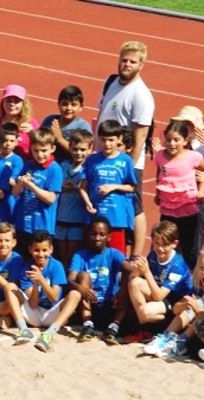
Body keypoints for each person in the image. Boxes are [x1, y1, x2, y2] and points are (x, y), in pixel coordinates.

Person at [33, 217, 133, 352]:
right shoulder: (80, 256)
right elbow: (70, 279)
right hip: (89, 306)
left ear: (108, 237)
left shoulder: (114, 254)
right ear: (87, 235)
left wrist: (121, 291)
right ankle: (88, 325)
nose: (97, 238)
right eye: (93, 234)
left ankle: (114, 327)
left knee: (131, 282)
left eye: (102, 234)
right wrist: (82, 289)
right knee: (84, 275)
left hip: (111, 305)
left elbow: (132, 271)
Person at [96, 41, 155, 258]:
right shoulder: (111, 82)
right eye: (124, 60)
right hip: (104, 156)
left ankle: (136, 255)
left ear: (141, 65)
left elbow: (141, 136)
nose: (127, 64)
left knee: (135, 206)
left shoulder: (141, 95)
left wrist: (126, 165)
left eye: (132, 61)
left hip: (126, 162)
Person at [79, 120, 136, 254]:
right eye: (103, 140)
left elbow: (132, 187)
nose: (107, 144)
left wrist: (113, 187)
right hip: (96, 218)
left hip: (116, 218)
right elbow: (82, 187)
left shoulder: (125, 161)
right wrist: (88, 203)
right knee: (93, 255)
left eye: (111, 140)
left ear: (119, 139)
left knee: (117, 256)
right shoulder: (92, 160)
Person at [3, 230, 67, 344]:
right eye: (37, 250)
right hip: (34, 314)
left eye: (44, 250)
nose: (41, 254)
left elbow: (54, 298)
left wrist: (41, 279)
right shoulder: (26, 269)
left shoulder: (57, 266)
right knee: (10, 286)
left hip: (52, 313)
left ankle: (49, 334)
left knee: (75, 295)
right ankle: (24, 330)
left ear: (51, 249)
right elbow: (32, 305)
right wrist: (36, 284)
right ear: (30, 250)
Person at [154, 121, 204, 267]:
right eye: (168, 140)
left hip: (188, 211)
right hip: (168, 210)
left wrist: (201, 190)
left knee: (189, 249)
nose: (172, 144)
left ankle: (191, 284)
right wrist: (158, 193)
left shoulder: (193, 157)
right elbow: (160, 173)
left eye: (176, 140)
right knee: (165, 243)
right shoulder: (160, 156)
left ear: (185, 140)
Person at [128, 221, 193, 327]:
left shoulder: (177, 265)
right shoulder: (153, 254)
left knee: (144, 312)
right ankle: (144, 322)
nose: (160, 248)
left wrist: (146, 271)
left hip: (175, 301)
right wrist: (137, 268)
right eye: (157, 243)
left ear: (174, 244)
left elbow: (158, 297)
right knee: (134, 283)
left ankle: (163, 323)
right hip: (160, 292)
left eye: (165, 244)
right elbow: (132, 278)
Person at [12, 128, 63, 256]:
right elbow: (15, 193)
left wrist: (31, 185)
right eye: (36, 151)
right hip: (23, 225)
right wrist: (20, 183)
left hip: (42, 227)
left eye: (44, 150)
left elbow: (51, 198)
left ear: (52, 149)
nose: (40, 155)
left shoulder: (55, 169)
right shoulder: (28, 166)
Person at [143, 254, 203, 358]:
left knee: (198, 305)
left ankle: (181, 341)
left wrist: (197, 310)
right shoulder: (198, 285)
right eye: (202, 268)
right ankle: (166, 338)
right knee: (195, 302)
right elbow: (175, 310)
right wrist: (184, 305)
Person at [55, 129, 93, 268]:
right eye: (75, 149)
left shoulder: (89, 168)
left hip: (77, 221)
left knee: (72, 256)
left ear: (90, 149)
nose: (79, 153)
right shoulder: (63, 166)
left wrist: (74, 188)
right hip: (60, 219)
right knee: (61, 256)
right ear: (69, 147)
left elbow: (86, 188)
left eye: (83, 149)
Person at [0, 84, 39, 160]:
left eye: (16, 101)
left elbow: (42, 146)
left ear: (23, 104)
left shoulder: (32, 124)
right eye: (8, 101)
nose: (12, 104)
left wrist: (32, 133)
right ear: (2, 102)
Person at [41, 85, 92, 163]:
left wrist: (59, 139)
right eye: (65, 104)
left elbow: (82, 152)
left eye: (73, 104)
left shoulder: (83, 127)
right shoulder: (50, 120)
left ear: (81, 107)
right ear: (58, 104)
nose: (69, 108)